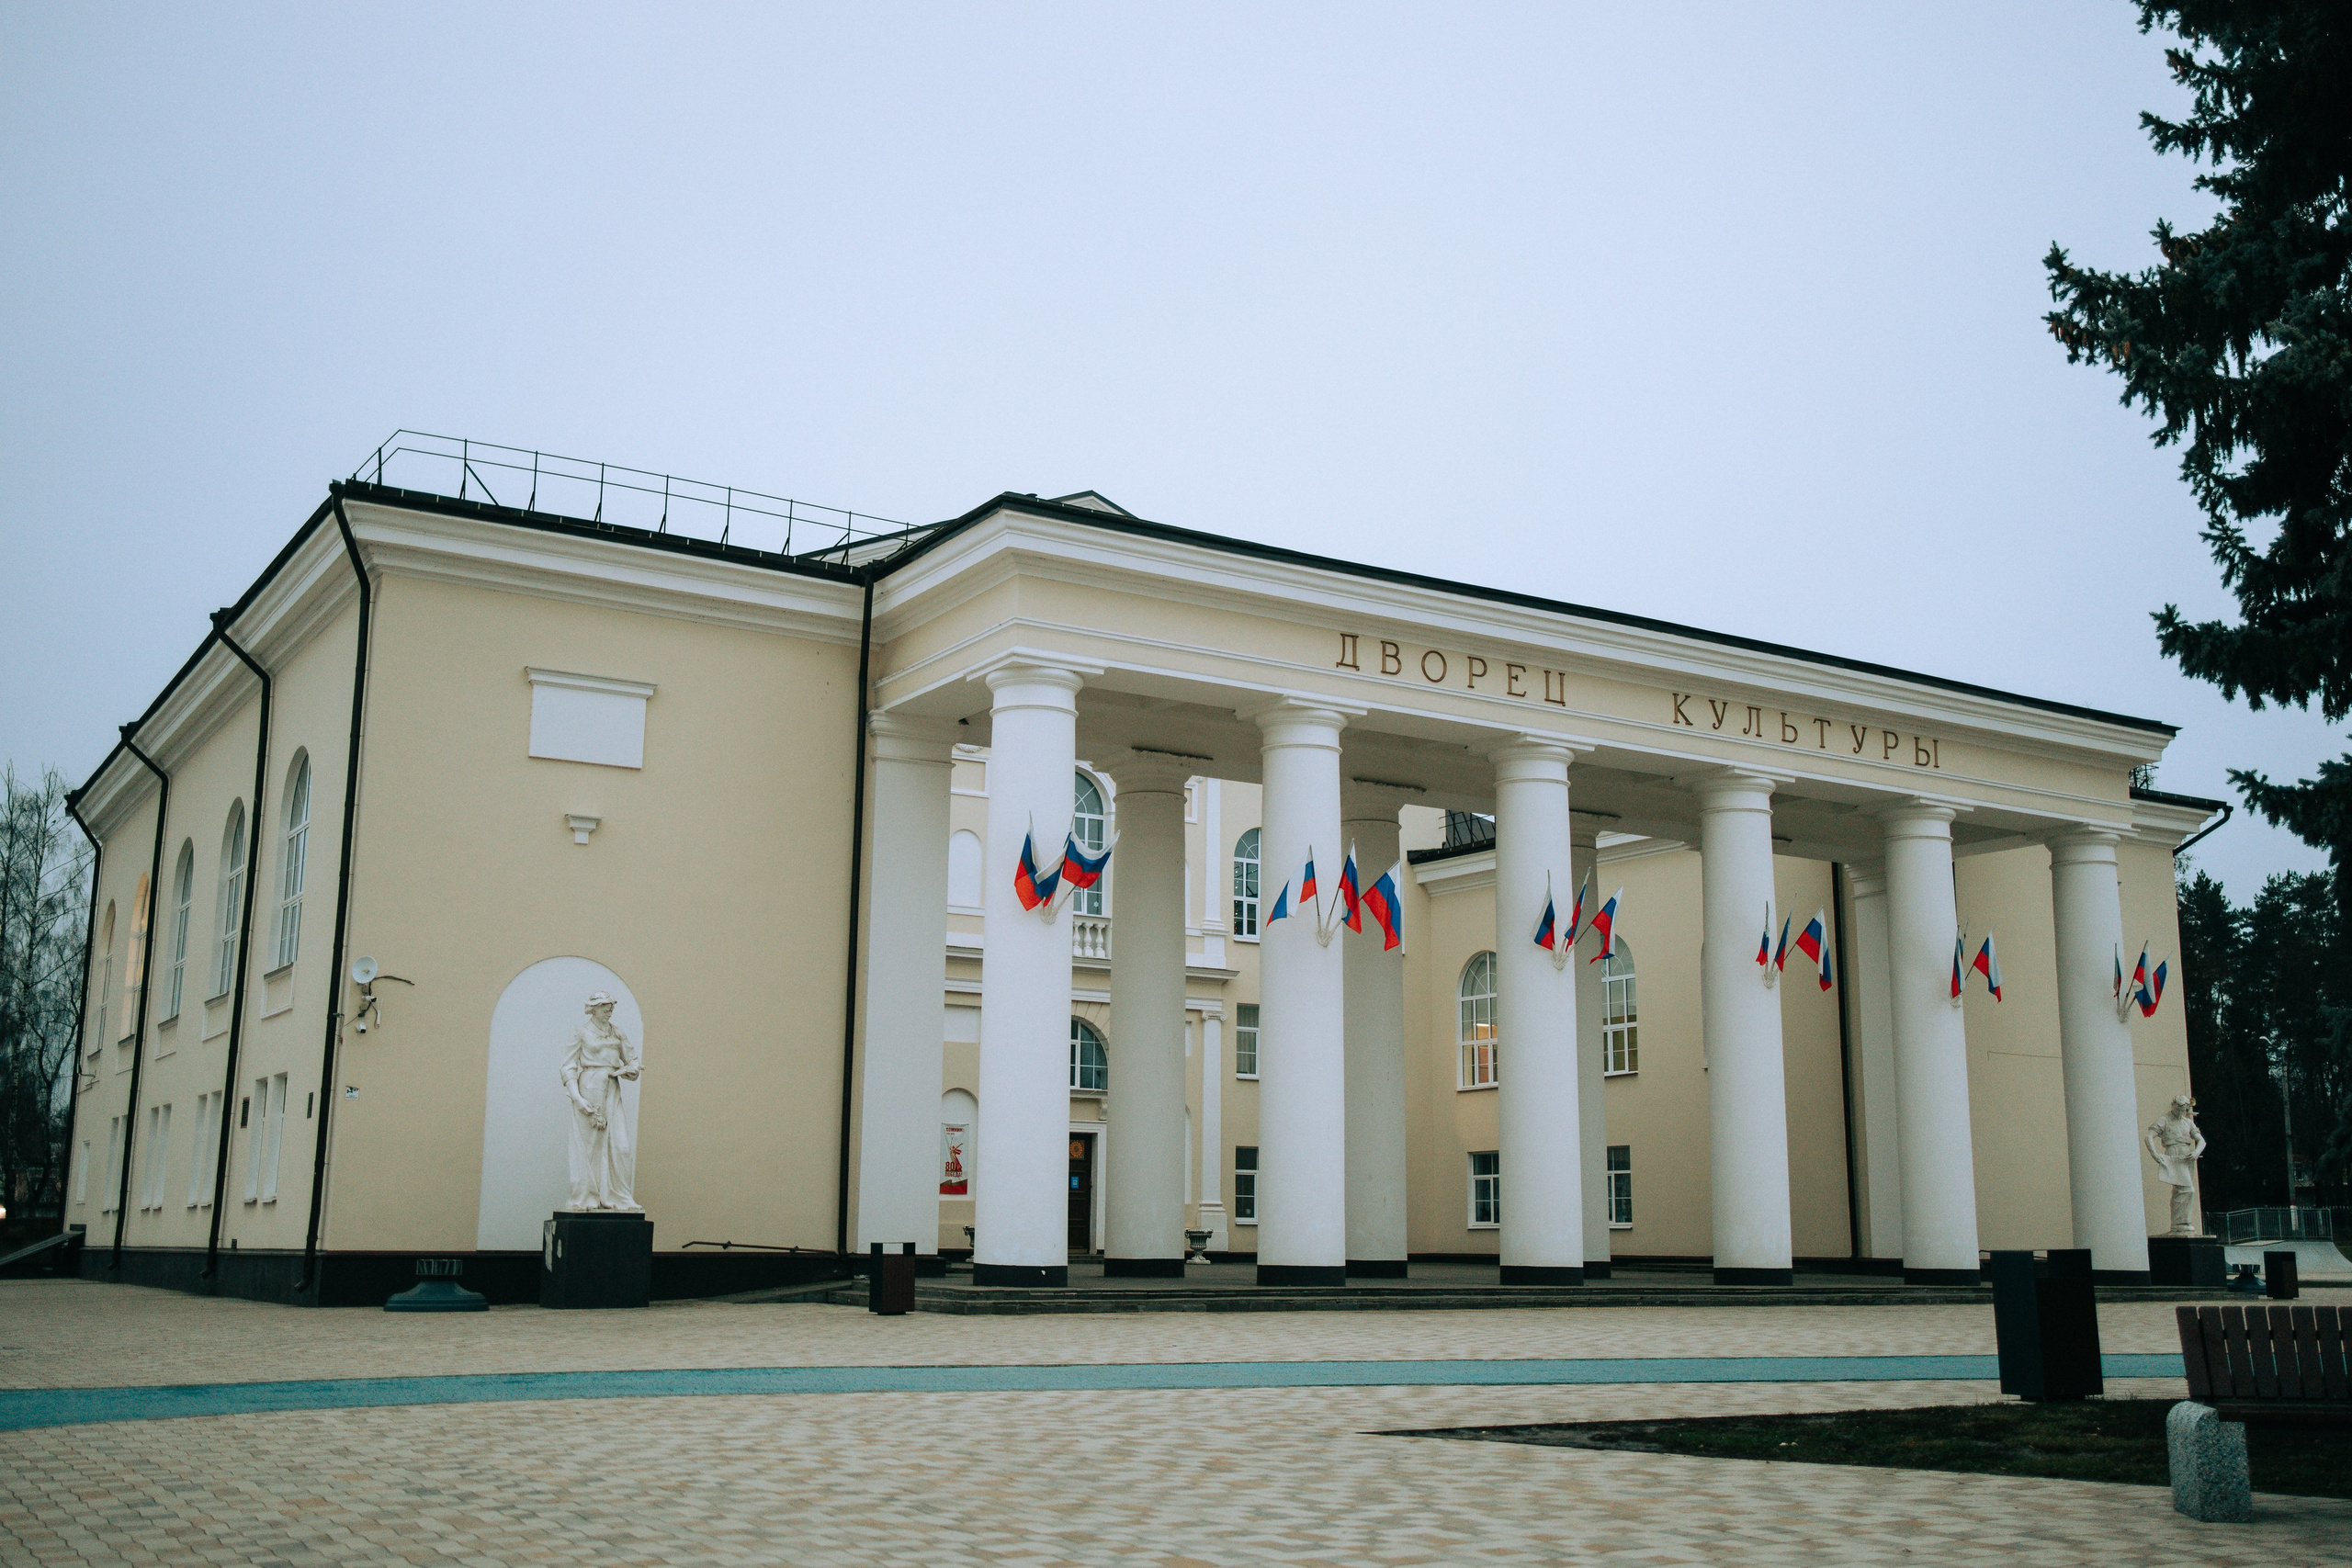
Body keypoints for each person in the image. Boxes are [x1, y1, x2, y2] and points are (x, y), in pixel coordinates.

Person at [561, 991, 641, 1211]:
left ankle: (619, 1197)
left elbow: (632, 1061)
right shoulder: (581, 1033)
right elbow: (568, 1066)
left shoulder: (617, 1032)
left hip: (612, 1088)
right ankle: (587, 1197)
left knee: (621, 1146)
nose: (609, 1009)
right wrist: (578, 1098)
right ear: (593, 1008)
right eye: (604, 1006)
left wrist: (630, 1070)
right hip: (589, 1088)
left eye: (611, 1006)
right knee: (590, 1147)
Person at [2145, 1092, 2205, 1236]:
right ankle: (2180, 1223)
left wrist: (2196, 1152)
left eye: (2183, 1109)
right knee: (2186, 1189)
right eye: (2178, 1108)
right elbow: (2149, 1137)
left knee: (2181, 1190)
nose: (2180, 1112)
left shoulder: (2187, 1122)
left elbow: (2202, 1141)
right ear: (2173, 1106)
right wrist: (2155, 1154)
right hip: (2173, 1154)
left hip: (2186, 1155)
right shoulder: (2164, 1119)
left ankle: (2181, 1223)